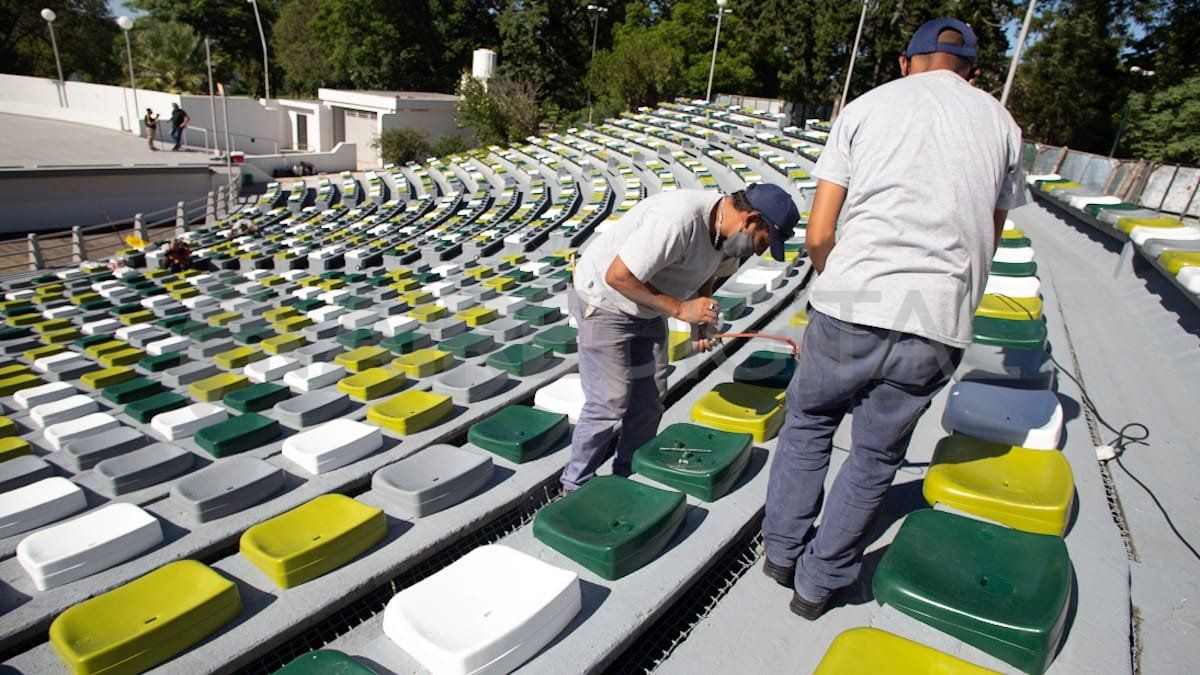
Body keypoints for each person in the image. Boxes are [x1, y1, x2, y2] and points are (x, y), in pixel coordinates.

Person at [761, 18, 1026, 620]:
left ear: (906, 63)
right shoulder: (1003, 126)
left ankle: (782, 555)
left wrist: (839, 288)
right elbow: (988, 238)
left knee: (808, 426)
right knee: (877, 457)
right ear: (976, 75)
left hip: (854, 302)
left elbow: (821, 231)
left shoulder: (866, 107)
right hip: (939, 318)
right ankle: (818, 586)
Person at [562, 183, 800, 492]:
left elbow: (710, 272)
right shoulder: (677, 220)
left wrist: (698, 321)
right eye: (762, 241)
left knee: (649, 400)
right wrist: (679, 309)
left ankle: (627, 474)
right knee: (609, 401)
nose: (760, 251)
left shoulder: (726, 231)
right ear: (750, 219)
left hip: (645, 307)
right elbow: (618, 276)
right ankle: (575, 484)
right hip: (604, 300)